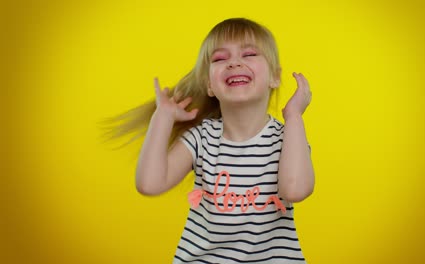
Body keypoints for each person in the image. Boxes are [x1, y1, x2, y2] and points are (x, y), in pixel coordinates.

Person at [103, 17, 314, 263]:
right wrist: (162, 117)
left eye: (248, 54)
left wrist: (294, 116)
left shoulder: (289, 138)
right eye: (220, 59)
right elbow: (149, 184)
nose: (234, 63)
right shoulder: (201, 138)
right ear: (209, 85)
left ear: (274, 77)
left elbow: (295, 190)